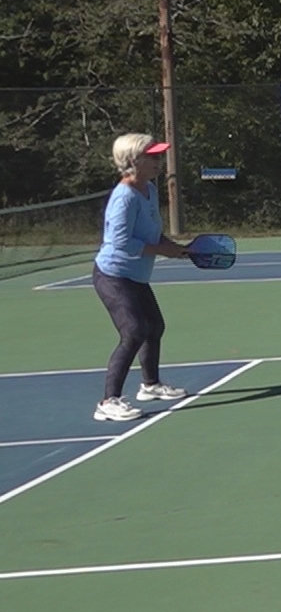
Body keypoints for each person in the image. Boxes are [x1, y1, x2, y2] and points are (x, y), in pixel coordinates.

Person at [91, 132, 191, 422]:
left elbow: (148, 232)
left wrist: (173, 248)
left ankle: (150, 385)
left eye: (159, 155)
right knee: (134, 331)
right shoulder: (123, 198)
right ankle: (108, 401)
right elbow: (121, 243)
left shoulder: (149, 190)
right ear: (133, 161)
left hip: (134, 275)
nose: (159, 161)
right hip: (113, 276)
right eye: (153, 156)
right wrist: (162, 250)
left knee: (155, 326)